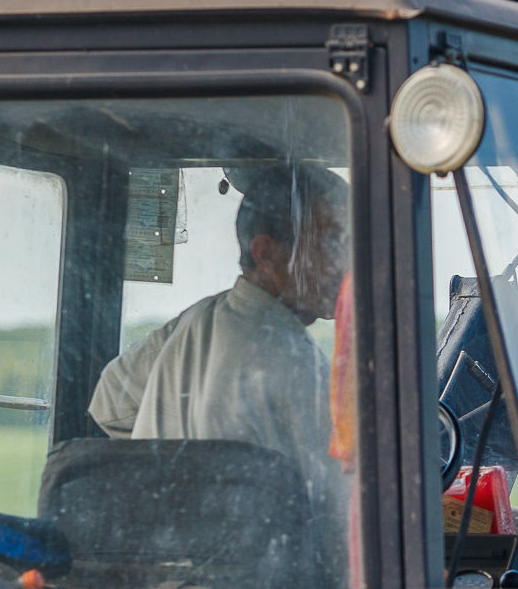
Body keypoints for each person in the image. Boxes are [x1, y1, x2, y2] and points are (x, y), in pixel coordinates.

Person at [89, 164, 350, 521]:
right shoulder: (301, 366)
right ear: (266, 253)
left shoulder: (195, 320)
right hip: (257, 572)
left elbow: (109, 402)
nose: (347, 262)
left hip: (156, 559)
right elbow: (343, 516)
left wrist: (176, 468)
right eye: (333, 242)